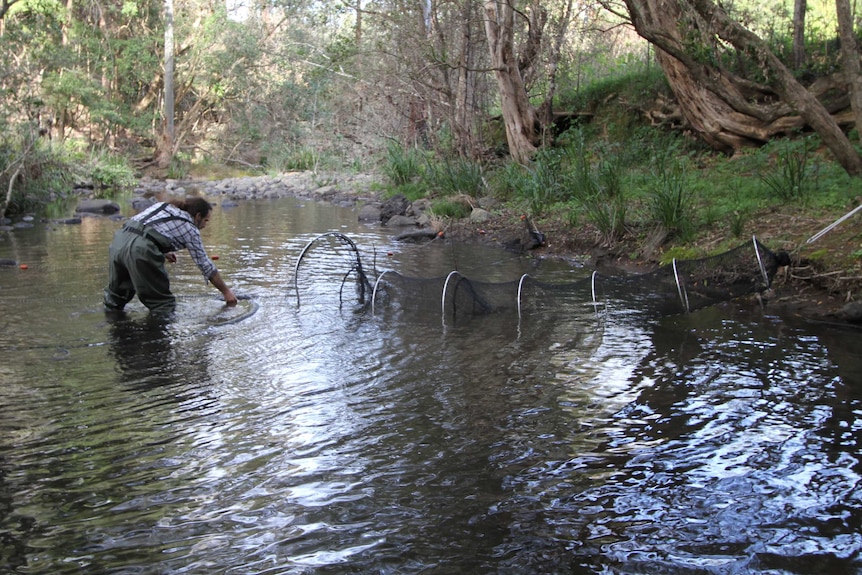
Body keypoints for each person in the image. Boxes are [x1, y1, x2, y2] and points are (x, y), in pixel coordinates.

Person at [104, 197, 237, 313]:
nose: (205, 225)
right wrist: (226, 291)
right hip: (141, 249)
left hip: (119, 241)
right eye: (206, 220)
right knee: (162, 305)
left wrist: (163, 251)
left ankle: (114, 329)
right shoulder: (190, 228)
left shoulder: (163, 206)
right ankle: (157, 340)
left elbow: (145, 229)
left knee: (116, 298)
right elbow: (205, 265)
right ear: (197, 216)